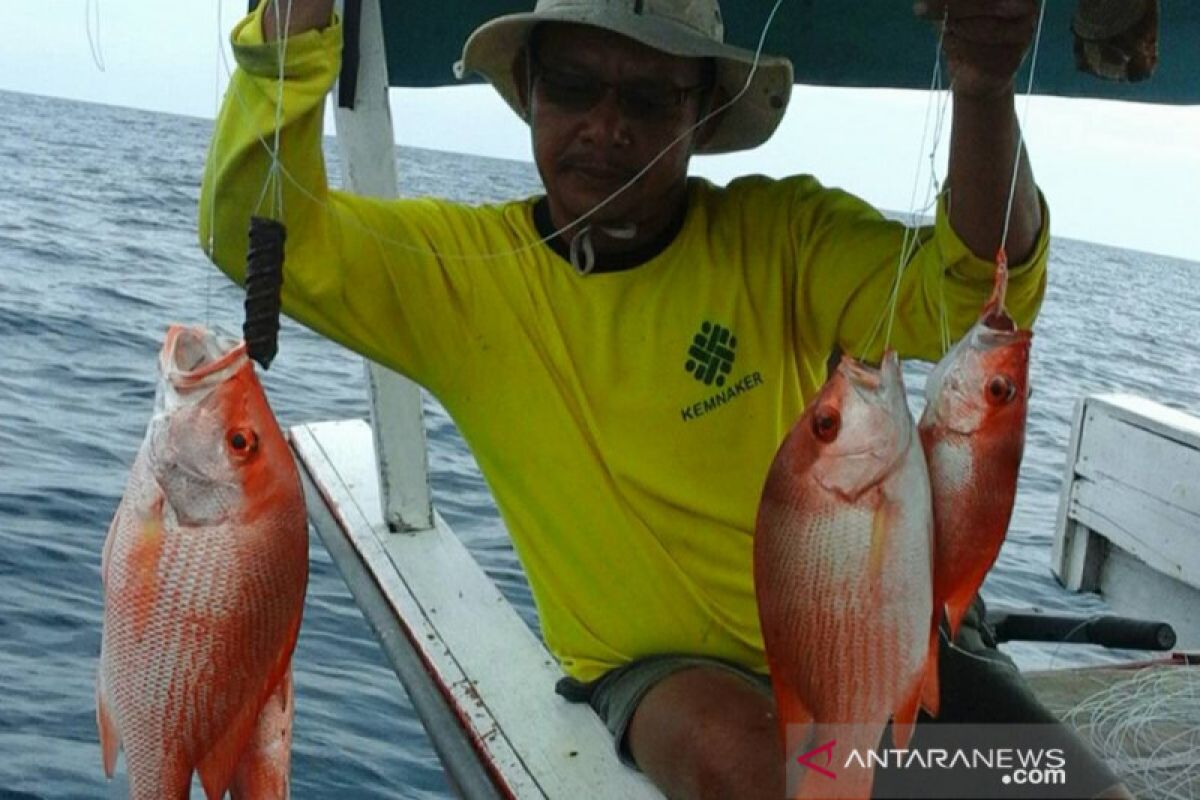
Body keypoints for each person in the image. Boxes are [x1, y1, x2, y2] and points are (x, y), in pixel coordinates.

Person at [200, 0, 1130, 797]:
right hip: (660, 672)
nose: (607, 127)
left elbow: (974, 298)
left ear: (701, 113)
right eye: (572, 86)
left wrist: (981, 86)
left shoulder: (778, 234)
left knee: (1062, 786)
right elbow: (255, 229)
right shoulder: (455, 274)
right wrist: (298, 18)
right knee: (758, 775)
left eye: (648, 99)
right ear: (527, 90)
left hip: (858, 616)